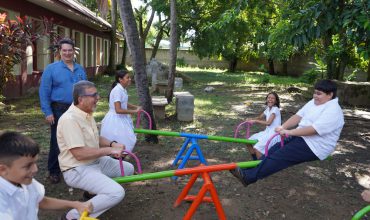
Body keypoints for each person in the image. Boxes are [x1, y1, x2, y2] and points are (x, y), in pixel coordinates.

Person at [230, 80, 344, 186]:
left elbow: (314, 130)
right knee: (272, 151)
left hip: (316, 145)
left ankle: (248, 177)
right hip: (301, 137)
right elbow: (298, 116)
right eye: (314, 93)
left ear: (330, 95)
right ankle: (248, 171)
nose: (315, 96)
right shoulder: (314, 102)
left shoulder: (333, 110)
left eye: (319, 94)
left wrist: (290, 132)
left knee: (279, 156)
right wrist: (282, 127)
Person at [57, 80, 134, 219]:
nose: (98, 97)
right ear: (81, 99)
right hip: (77, 168)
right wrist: (109, 151)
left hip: (95, 161)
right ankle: (72, 216)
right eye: (94, 95)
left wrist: (112, 144)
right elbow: (79, 154)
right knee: (116, 192)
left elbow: (95, 137)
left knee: (128, 169)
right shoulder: (70, 119)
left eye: (97, 94)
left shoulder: (86, 113)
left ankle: (91, 195)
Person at [0, 131, 91, 220]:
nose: (35, 169)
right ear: (3, 170)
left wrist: (75, 204)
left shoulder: (23, 180)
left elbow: (40, 201)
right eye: (28, 166)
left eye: (35, 163)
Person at [39, 38, 87, 184]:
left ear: (74, 51)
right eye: (64, 50)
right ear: (60, 52)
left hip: (77, 109)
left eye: (70, 50)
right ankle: (53, 171)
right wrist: (47, 112)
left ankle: (73, 167)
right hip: (59, 109)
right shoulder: (51, 69)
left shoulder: (80, 69)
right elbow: (44, 91)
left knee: (78, 139)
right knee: (57, 140)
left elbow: (85, 89)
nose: (67, 53)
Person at [101, 70, 142, 153]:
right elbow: (118, 110)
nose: (130, 79)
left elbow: (124, 102)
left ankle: (119, 157)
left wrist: (136, 107)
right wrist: (134, 112)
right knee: (124, 138)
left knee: (126, 139)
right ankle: (117, 157)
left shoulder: (123, 89)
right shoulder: (117, 91)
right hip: (115, 119)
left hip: (121, 118)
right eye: (127, 78)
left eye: (130, 77)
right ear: (120, 79)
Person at [246, 92, 281, 160]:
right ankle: (255, 161)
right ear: (266, 99)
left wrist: (255, 121)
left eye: (272, 98)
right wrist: (251, 119)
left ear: (276, 101)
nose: (270, 99)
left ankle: (261, 167)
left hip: (273, 134)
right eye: (269, 98)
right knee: (248, 142)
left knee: (257, 148)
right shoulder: (268, 109)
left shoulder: (275, 109)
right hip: (267, 132)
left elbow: (268, 123)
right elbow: (259, 117)